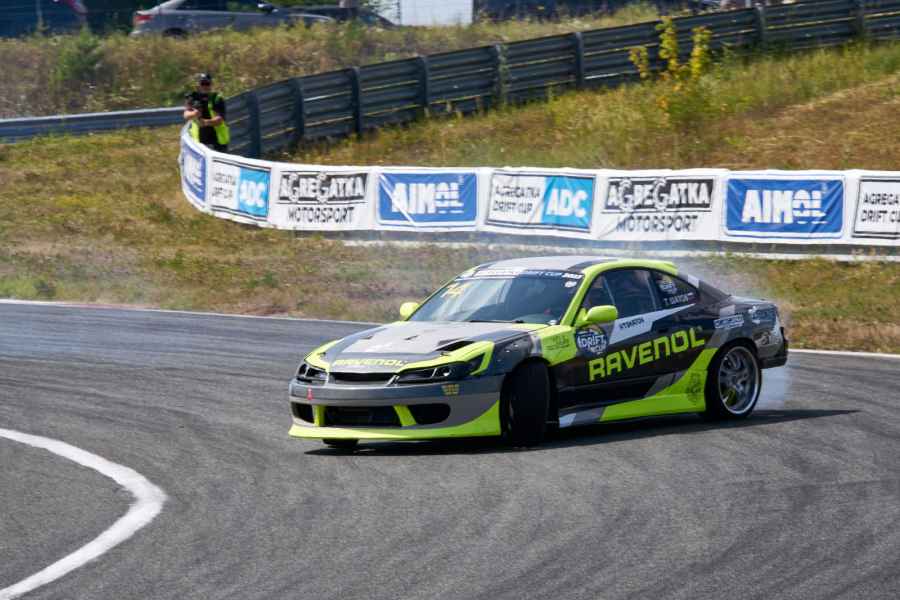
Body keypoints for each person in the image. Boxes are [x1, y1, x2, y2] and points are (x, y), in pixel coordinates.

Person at [183, 73, 230, 152]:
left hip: (217, 142)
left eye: (207, 83)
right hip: (199, 143)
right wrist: (194, 113)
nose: (205, 86)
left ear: (211, 84)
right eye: (202, 83)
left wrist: (205, 122)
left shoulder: (217, 98)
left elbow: (219, 119)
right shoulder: (193, 97)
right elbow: (186, 115)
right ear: (198, 85)